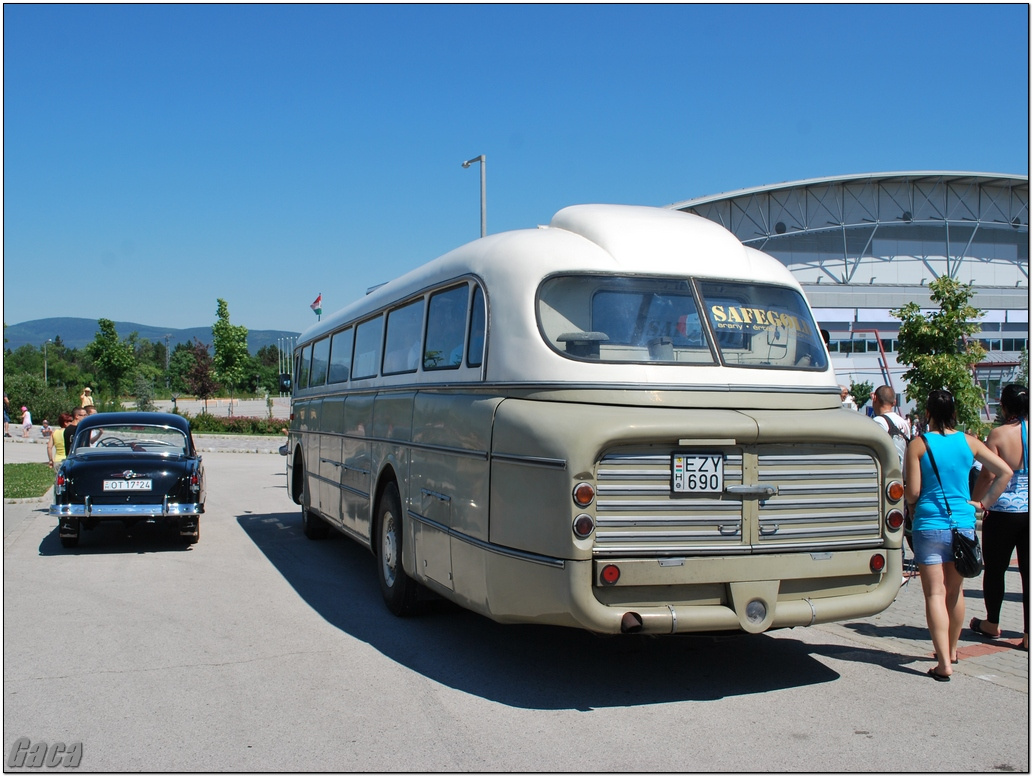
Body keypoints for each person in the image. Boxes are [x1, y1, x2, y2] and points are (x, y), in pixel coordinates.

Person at [905, 389, 1013, 681]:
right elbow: (1003, 471)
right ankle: (953, 650)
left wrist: (912, 504)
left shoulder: (918, 445)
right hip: (963, 525)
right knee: (955, 592)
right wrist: (983, 503)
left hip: (928, 524)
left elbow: (913, 492)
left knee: (934, 594)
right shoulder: (969, 441)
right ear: (954, 411)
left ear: (927, 412)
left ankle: (943, 663)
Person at [970, 383, 1029, 651]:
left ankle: (992, 622)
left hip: (1003, 510)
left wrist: (977, 501)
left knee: (995, 569)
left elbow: (988, 474)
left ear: (1004, 407)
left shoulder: (998, 434)